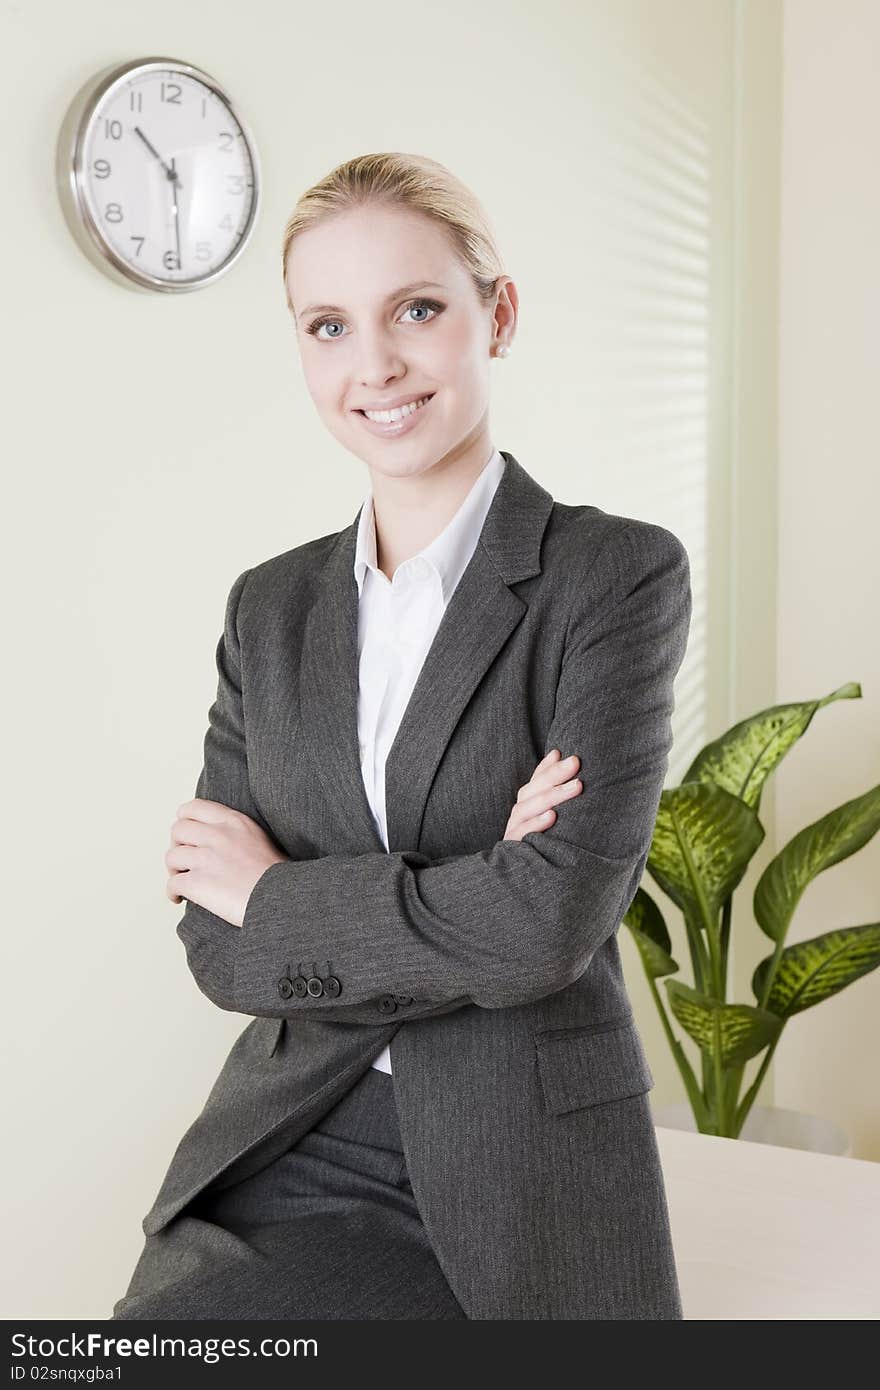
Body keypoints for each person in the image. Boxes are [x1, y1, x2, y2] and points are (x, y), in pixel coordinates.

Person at [111, 151, 691, 1320]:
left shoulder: (611, 576)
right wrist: (481, 888)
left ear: (498, 313)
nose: (372, 364)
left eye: (415, 310)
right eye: (328, 325)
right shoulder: (268, 610)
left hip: (522, 1150)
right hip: (300, 1135)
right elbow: (216, 950)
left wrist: (280, 895)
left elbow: (548, 928)